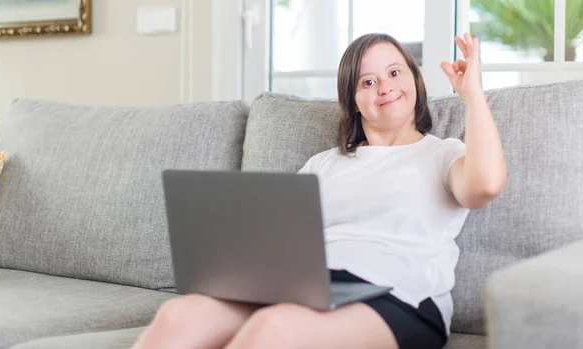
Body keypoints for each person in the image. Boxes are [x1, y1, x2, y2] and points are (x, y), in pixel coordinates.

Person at [132, 32, 507, 349]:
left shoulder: (442, 155)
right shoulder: (324, 164)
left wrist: (472, 95)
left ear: (414, 79)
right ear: (354, 101)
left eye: (394, 72)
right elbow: (278, 242)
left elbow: (486, 185)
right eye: (367, 81)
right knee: (181, 314)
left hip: (400, 298)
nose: (385, 86)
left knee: (273, 329)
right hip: (311, 287)